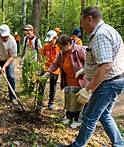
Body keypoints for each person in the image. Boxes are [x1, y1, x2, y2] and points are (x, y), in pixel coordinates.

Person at [61, 6, 124, 147]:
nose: (81, 26)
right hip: (116, 80)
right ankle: (119, 144)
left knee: (89, 116)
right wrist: (86, 70)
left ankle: (77, 145)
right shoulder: (106, 30)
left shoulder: (101, 35)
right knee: (104, 114)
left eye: (82, 22)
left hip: (109, 82)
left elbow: (106, 66)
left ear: (89, 19)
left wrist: (88, 89)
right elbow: (103, 60)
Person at [42, 35, 86, 128]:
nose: (60, 49)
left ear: (68, 44)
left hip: (80, 81)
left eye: (62, 47)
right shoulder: (62, 53)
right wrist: (47, 73)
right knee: (69, 99)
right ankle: (69, 117)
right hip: (68, 80)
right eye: (60, 47)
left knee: (79, 101)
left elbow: (90, 64)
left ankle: (78, 119)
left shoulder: (79, 50)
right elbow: (55, 64)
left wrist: (82, 71)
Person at [36, 30, 60, 111]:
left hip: (55, 70)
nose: (50, 42)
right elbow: (41, 54)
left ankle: (51, 103)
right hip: (45, 68)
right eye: (49, 40)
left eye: (51, 40)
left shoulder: (59, 47)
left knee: (53, 86)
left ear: (55, 38)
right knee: (41, 85)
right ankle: (39, 103)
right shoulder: (46, 46)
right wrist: (40, 63)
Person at [21, 24, 42, 93]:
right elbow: (24, 49)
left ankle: (31, 90)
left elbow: (40, 52)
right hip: (26, 60)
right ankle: (26, 89)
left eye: (28, 31)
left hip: (34, 61)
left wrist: (39, 62)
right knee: (24, 75)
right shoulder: (25, 39)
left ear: (32, 31)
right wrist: (21, 58)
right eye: (26, 31)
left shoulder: (37, 40)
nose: (27, 33)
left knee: (33, 76)